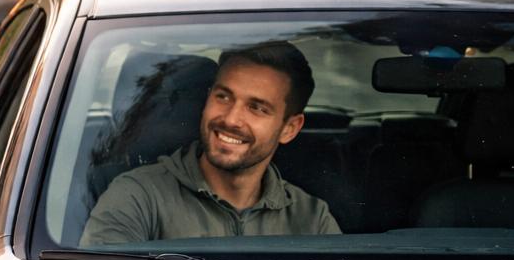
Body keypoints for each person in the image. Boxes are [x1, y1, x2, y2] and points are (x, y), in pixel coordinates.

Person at [81, 42, 340, 245]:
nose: (231, 119)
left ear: (289, 128)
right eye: (223, 96)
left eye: (257, 108)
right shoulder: (138, 196)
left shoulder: (312, 218)